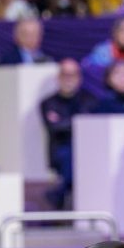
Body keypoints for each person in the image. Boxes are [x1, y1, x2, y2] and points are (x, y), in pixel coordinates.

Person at [40, 58, 96, 208]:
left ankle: (60, 192)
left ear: (79, 77)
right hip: (60, 149)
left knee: (77, 152)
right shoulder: (48, 102)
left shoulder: (89, 100)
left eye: (73, 74)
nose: (69, 79)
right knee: (70, 153)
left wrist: (67, 122)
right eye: (65, 74)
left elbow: (91, 127)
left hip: (89, 150)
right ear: (58, 77)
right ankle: (63, 192)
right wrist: (77, 122)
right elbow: (55, 128)